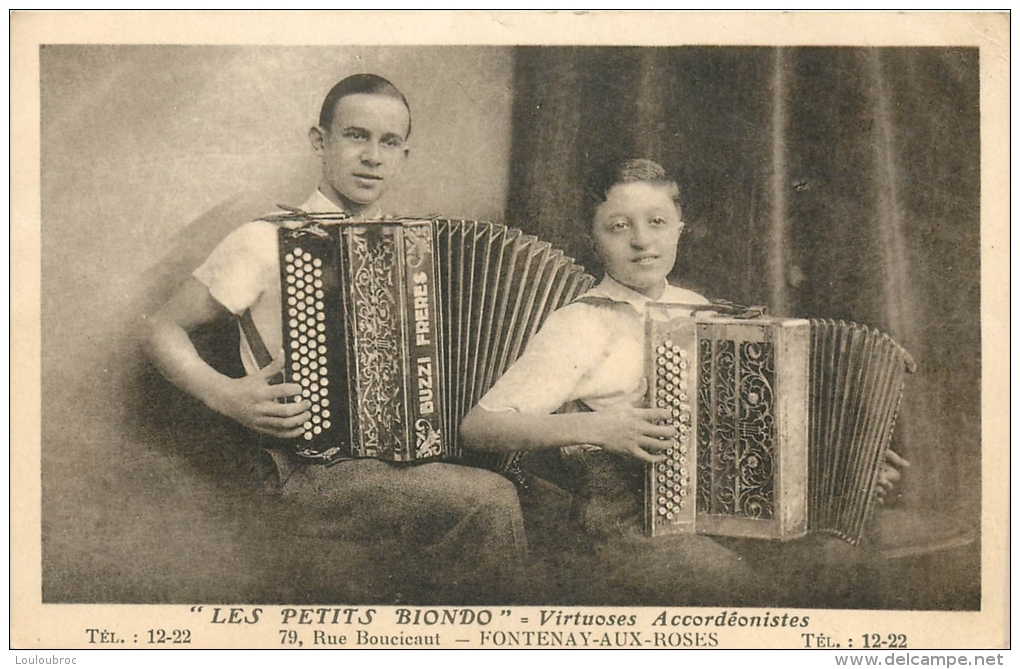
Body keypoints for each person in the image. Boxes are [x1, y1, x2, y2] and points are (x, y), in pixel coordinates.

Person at [146, 74, 526, 603]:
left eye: (388, 142)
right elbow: (162, 327)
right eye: (355, 135)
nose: (372, 156)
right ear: (319, 141)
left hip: (405, 462)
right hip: (305, 465)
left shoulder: (421, 251)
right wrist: (225, 395)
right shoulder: (265, 239)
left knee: (542, 494)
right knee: (491, 502)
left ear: (403, 155)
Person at [459, 158, 907, 606]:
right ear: (593, 239)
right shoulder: (581, 323)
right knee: (736, 591)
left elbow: (755, 423)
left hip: (721, 510)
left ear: (679, 228)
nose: (641, 241)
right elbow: (479, 428)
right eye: (618, 226)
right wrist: (599, 428)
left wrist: (851, 458)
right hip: (626, 525)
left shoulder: (699, 310)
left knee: (842, 562)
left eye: (657, 222)